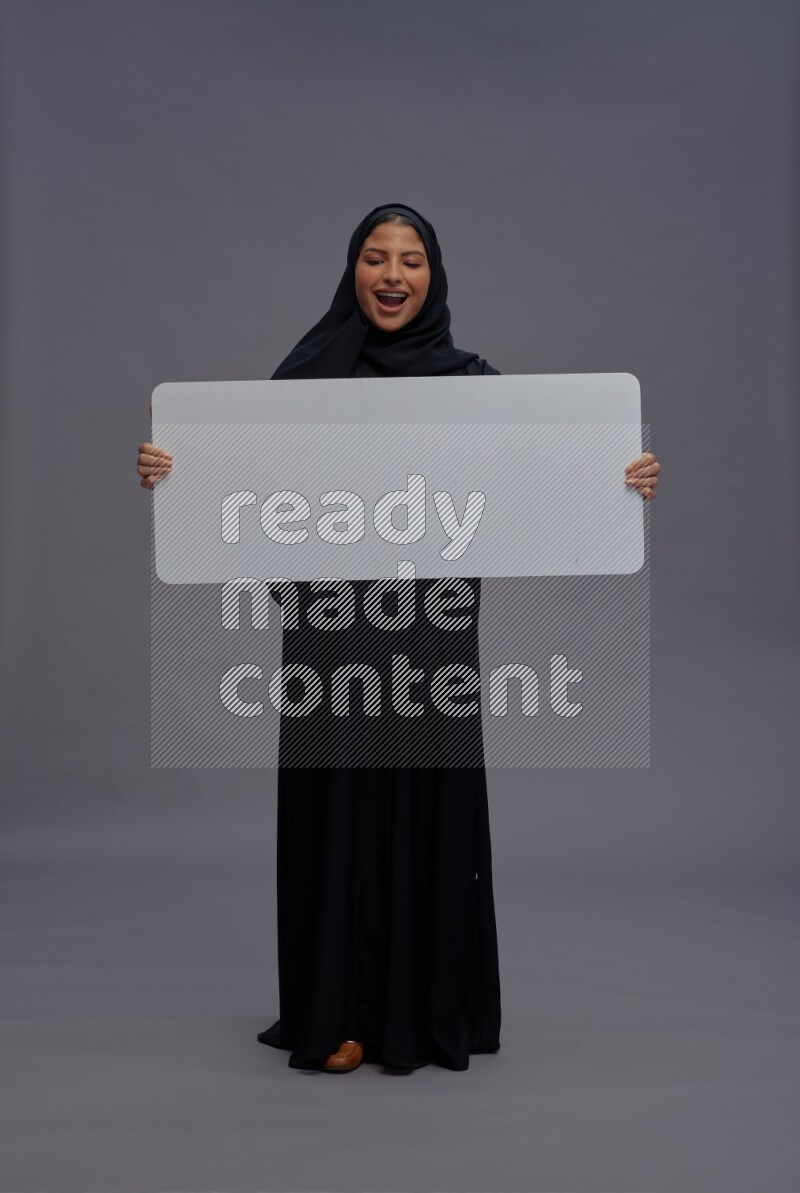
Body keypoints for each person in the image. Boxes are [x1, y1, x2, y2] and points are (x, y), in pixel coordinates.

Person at [137, 203, 661, 1074]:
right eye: (375, 258)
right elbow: (245, 496)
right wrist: (176, 474)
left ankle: (431, 1002)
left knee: (426, 797)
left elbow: (540, 484)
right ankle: (340, 1012)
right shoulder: (305, 378)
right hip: (334, 638)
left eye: (410, 259)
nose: (392, 275)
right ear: (351, 270)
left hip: (430, 634)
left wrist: (620, 478)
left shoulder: (471, 383)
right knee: (340, 807)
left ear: (434, 275)